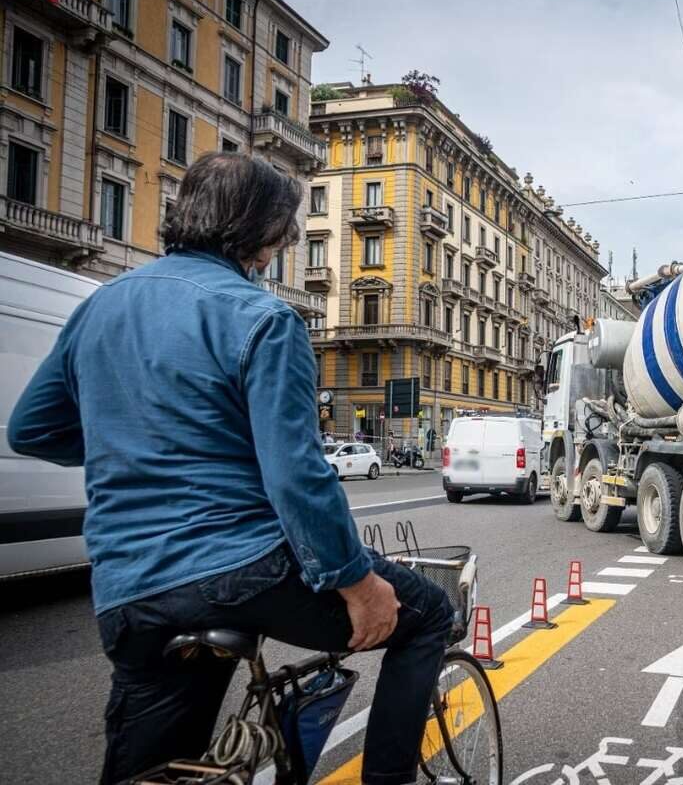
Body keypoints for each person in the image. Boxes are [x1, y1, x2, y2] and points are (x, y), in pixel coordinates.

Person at [6, 153, 452, 785]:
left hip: (128, 582)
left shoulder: (99, 308)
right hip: (240, 568)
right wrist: (357, 583)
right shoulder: (263, 319)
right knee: (427, 614)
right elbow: (296, 476)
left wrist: (137, 445)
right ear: (264, 237)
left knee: (151, 768)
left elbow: (33, 429)